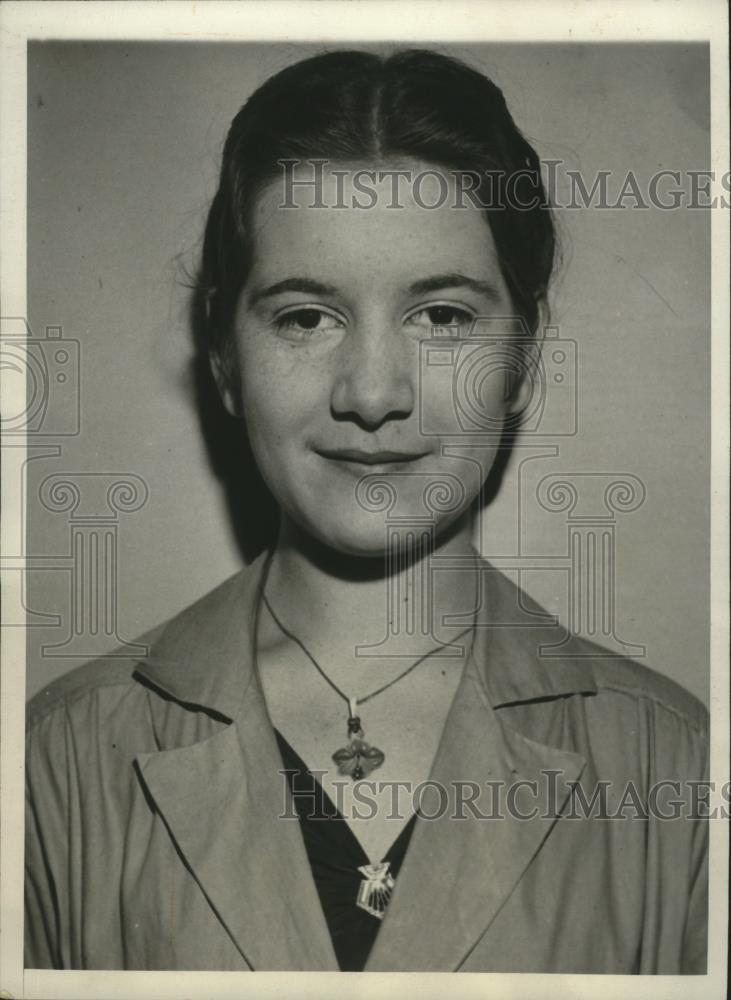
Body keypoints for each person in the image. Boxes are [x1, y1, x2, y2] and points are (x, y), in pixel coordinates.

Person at [25, 48, 708, 973]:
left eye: (443, 318)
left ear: (524, 358)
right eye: (306, 316)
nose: (374, 393)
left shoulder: (675, 765)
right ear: (226, 356)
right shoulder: (52, 764)